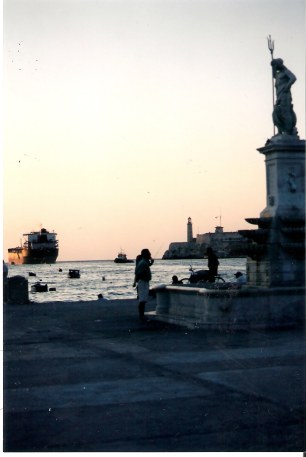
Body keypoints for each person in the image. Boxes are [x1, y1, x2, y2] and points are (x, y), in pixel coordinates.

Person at [271, 58, 297, 136]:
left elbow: (293, 78)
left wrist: (287, 86)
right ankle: (280, 131)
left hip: (285, 96)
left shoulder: (285, 72)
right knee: (277, 112)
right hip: (279, 96)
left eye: (276, 65)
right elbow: (273, 75)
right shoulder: (278, 75)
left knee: (285, 113)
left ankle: (288, 131)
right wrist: (273, 65)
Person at [134, 249, 154, 321]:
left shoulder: (143, 262)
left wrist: (151, 263)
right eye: (149, 253)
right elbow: (138, 273)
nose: (150, 254)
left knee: (143, 300)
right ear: (145, 254)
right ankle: (141, 316)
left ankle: (142, 315)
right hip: (143, 282)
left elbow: (146, 266)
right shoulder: (143, 263)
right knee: (142, 300)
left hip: (143, 282)